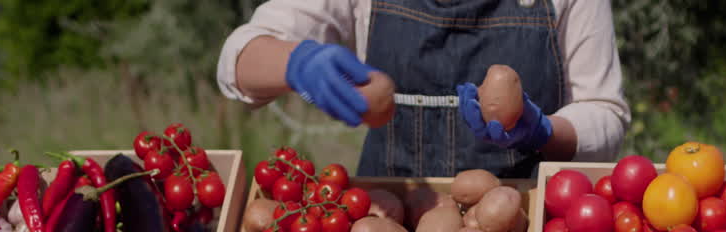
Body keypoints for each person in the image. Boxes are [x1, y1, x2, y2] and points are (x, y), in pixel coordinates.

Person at [217, 0, 630, 178]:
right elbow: (235, 61)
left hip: (526, 227)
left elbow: (605, 113)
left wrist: (543, 131)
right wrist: (296, 62)